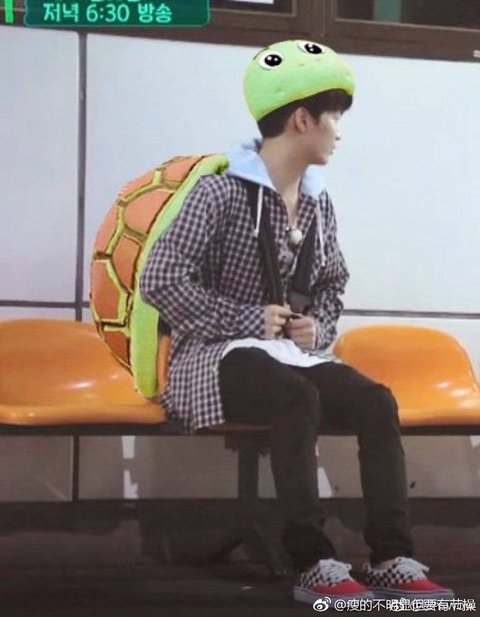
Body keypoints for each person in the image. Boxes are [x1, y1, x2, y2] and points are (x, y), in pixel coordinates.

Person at [140, 39, 453, 604]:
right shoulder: (218, 193)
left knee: (376, 401)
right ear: (302, 119)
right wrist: (246, 318)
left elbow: (333, 280)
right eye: (334, 116)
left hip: (287, 355)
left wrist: (317, 326)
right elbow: (159, 279)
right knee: (295, 397)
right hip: (212, 357)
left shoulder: (316, 202)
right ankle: (312, 560)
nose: (339, 131)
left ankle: (391, 555)